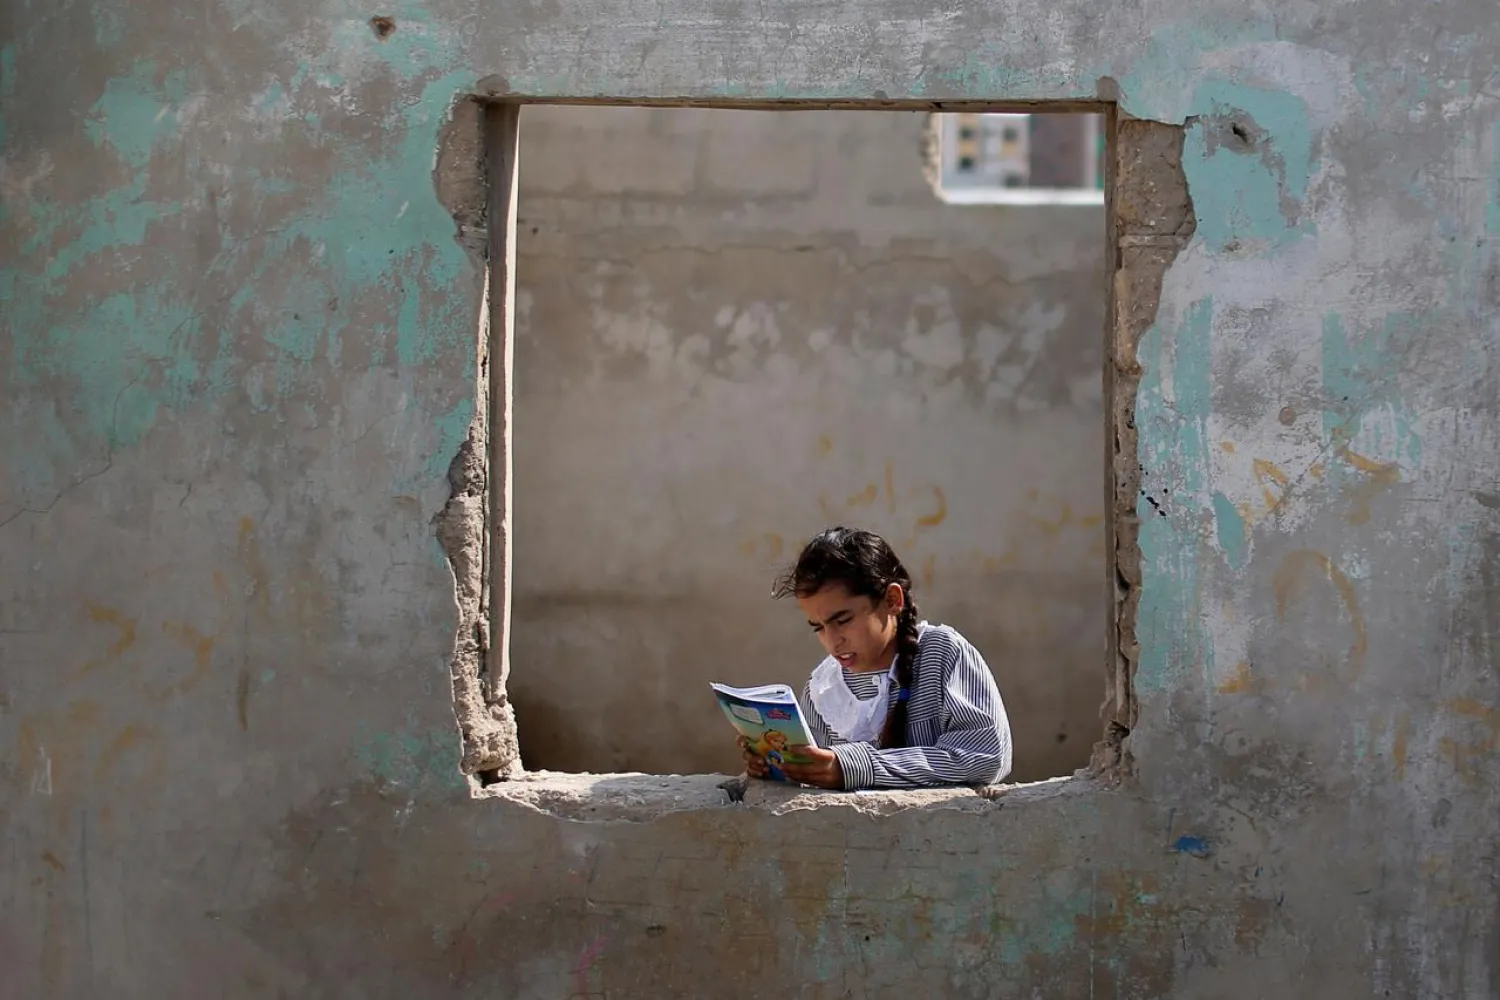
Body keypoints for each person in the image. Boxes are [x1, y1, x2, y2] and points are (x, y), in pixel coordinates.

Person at [741, 526, 1013, 790]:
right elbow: (816, 782)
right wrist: (779, 767)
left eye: (843, 620)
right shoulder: (823, 690)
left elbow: (985, 757)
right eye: (818, 627)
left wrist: (854, 768)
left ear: (892, 600)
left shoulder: (942, 654)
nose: (832, 642)